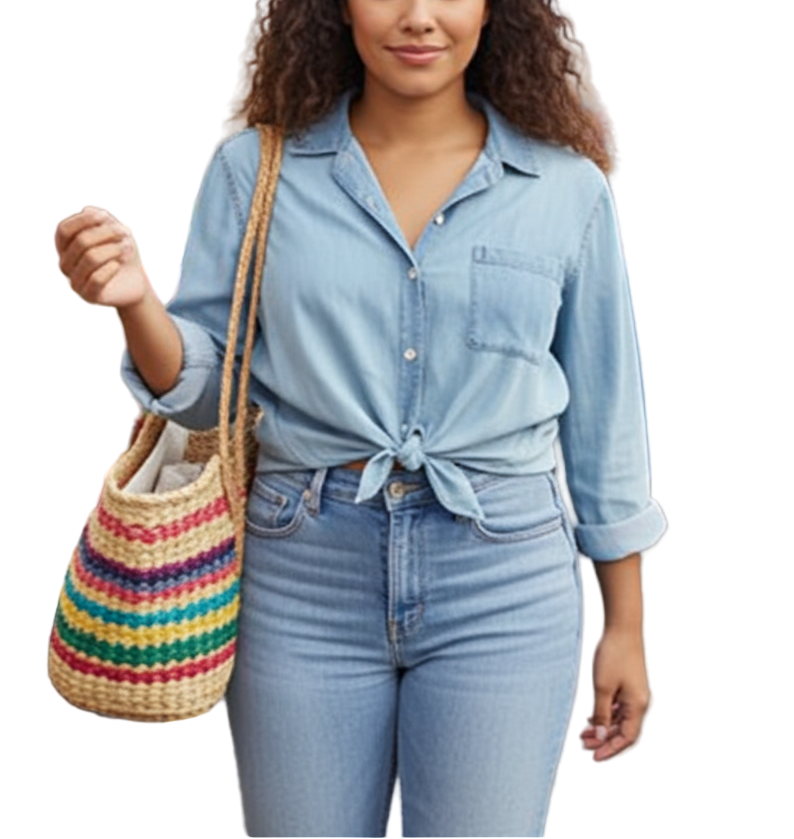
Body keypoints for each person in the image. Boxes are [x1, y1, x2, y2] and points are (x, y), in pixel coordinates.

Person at [54, 0, 667, 835]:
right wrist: (135, 305)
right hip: (300, 574)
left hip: (503, 582)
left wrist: (624, 624)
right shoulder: (255, 171)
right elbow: (212, 396)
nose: (418, 17)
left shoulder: (565, 189)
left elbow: (606, 418)